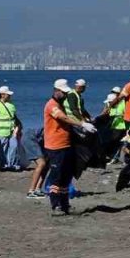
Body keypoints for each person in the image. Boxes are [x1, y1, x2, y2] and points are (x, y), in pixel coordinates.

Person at [45, 79, 98, 216]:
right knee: (57, 177)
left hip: (66, 144)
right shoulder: (51, 105)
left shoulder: (61, 105)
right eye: (63, 92)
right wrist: (82, 124)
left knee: (66, 176)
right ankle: (55, 206)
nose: (65, 95)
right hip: (55, 146)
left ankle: (65, 205)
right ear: (56, 91)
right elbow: (63, 118)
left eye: (65, 93)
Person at [0, 85, 23, 171]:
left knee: (14, 147)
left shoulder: (11, 105)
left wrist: (18, 127)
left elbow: (14, 117)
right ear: (2, 95)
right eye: (8, 94)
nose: (10, 95)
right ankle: (4, 164)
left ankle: (12, 164)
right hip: (1, 132)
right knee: (2, 149)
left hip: (12, 131)